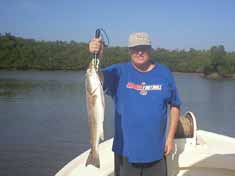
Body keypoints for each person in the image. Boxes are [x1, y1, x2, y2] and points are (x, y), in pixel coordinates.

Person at [89, 32, 181, 176]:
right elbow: (94, 77)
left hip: (156, 152)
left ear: (150, 49)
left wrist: (170, 138)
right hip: (125, 153)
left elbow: (175, 105)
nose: (139, 52)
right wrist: (97, 56)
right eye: (135, 48)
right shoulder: (119, 72)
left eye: (143, 48)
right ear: (129, 51)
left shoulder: (164, 73)